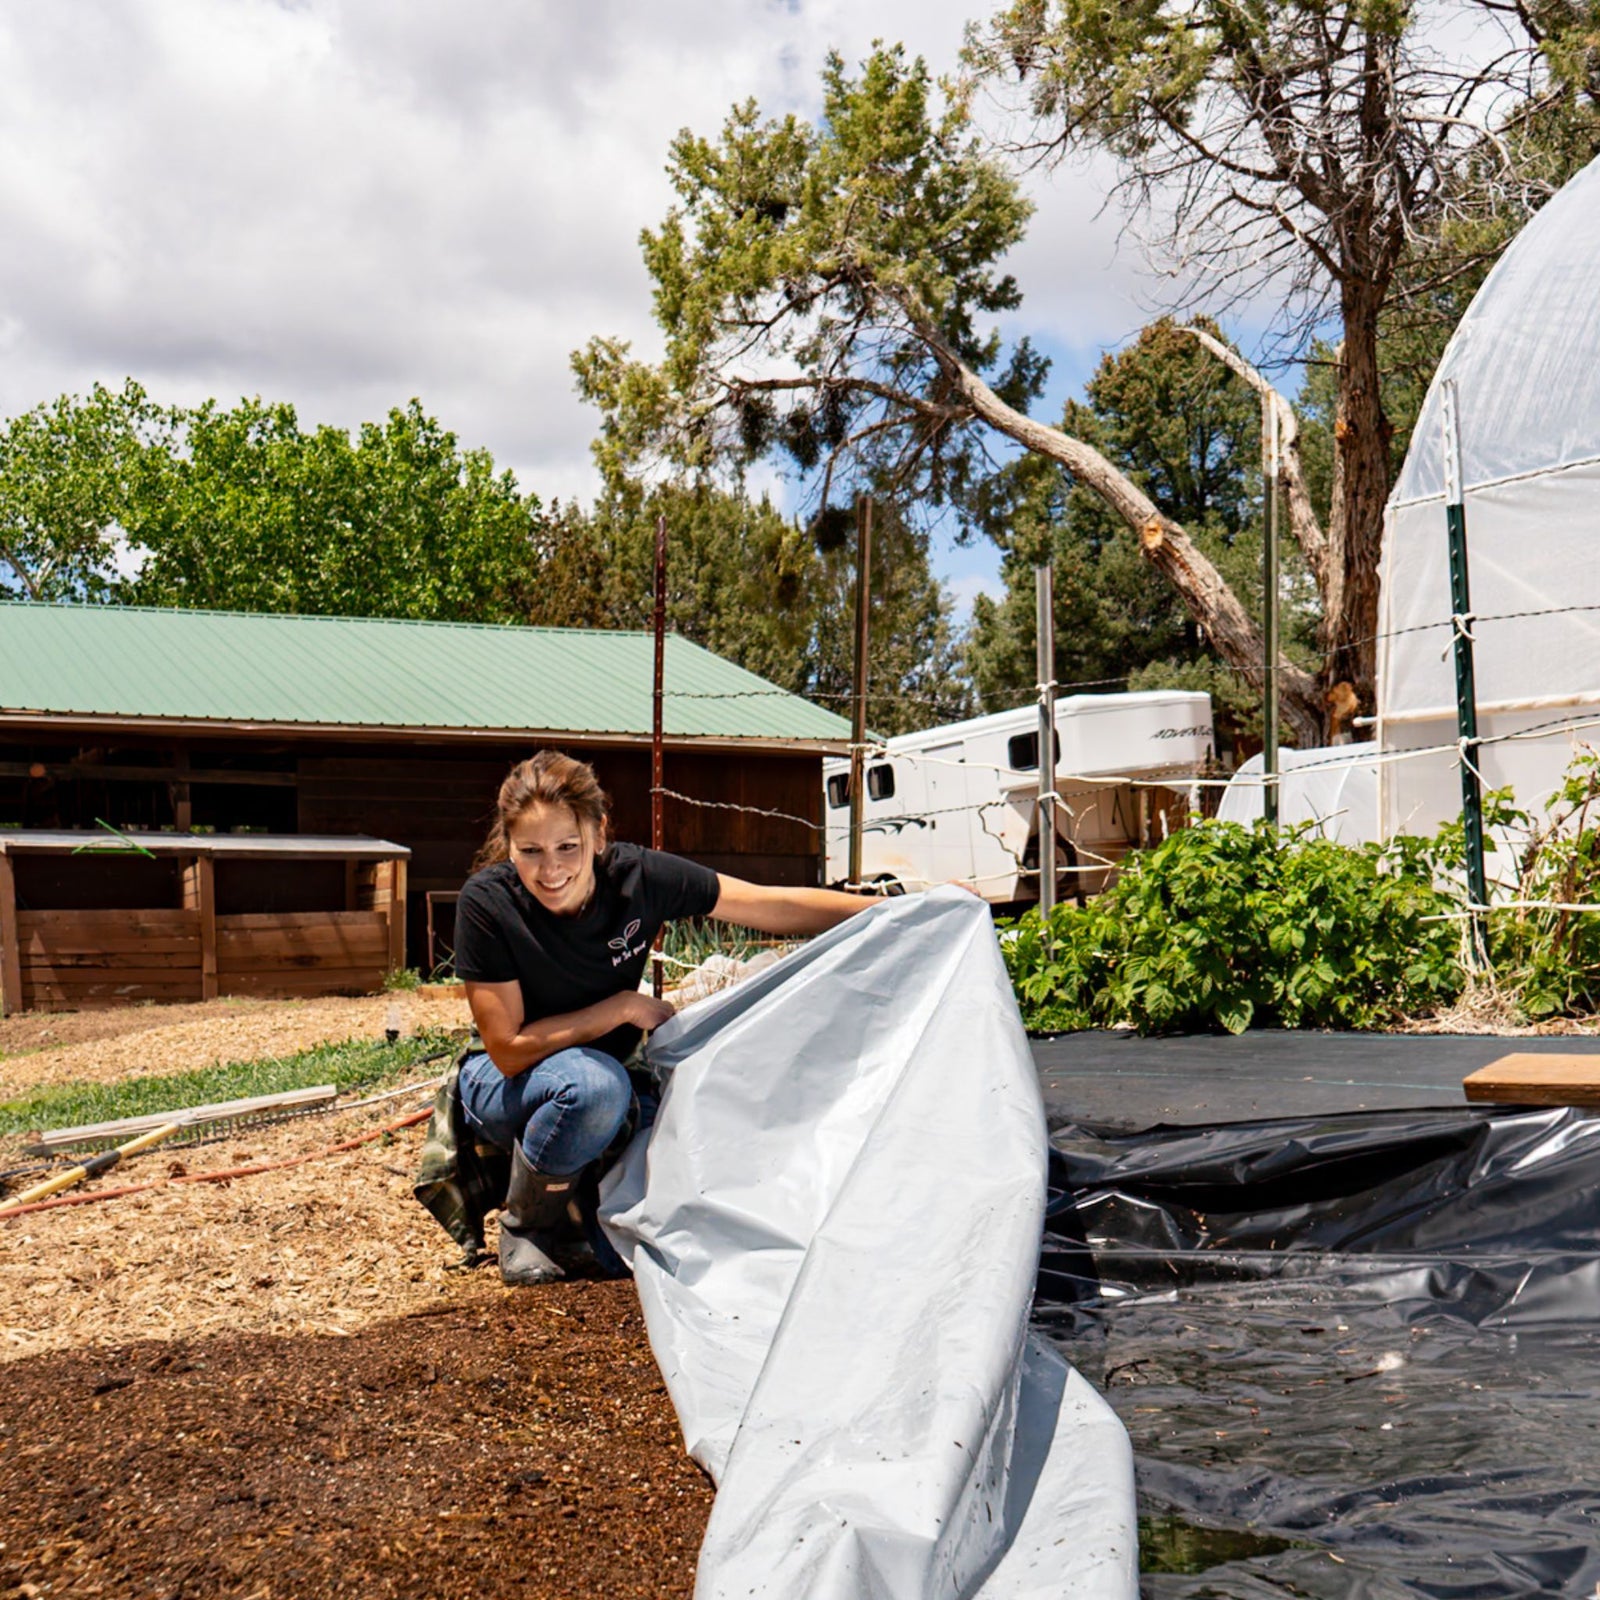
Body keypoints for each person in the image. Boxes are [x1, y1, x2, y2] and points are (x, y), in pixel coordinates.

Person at [453, 749, 872, 1287]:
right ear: (508, 845)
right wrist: (620, 1009)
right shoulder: (488, 904)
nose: (550, 869)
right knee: (595, 1089)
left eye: (567, 847)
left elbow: (769, 905)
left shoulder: (637, 878)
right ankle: (529, 1225)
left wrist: (896, 908)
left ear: (598, 834)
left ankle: (585, 1213)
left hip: (603, 1075)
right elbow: (507, 1048)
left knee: (645, 1213)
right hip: (502, 1083)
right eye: (530, 851)